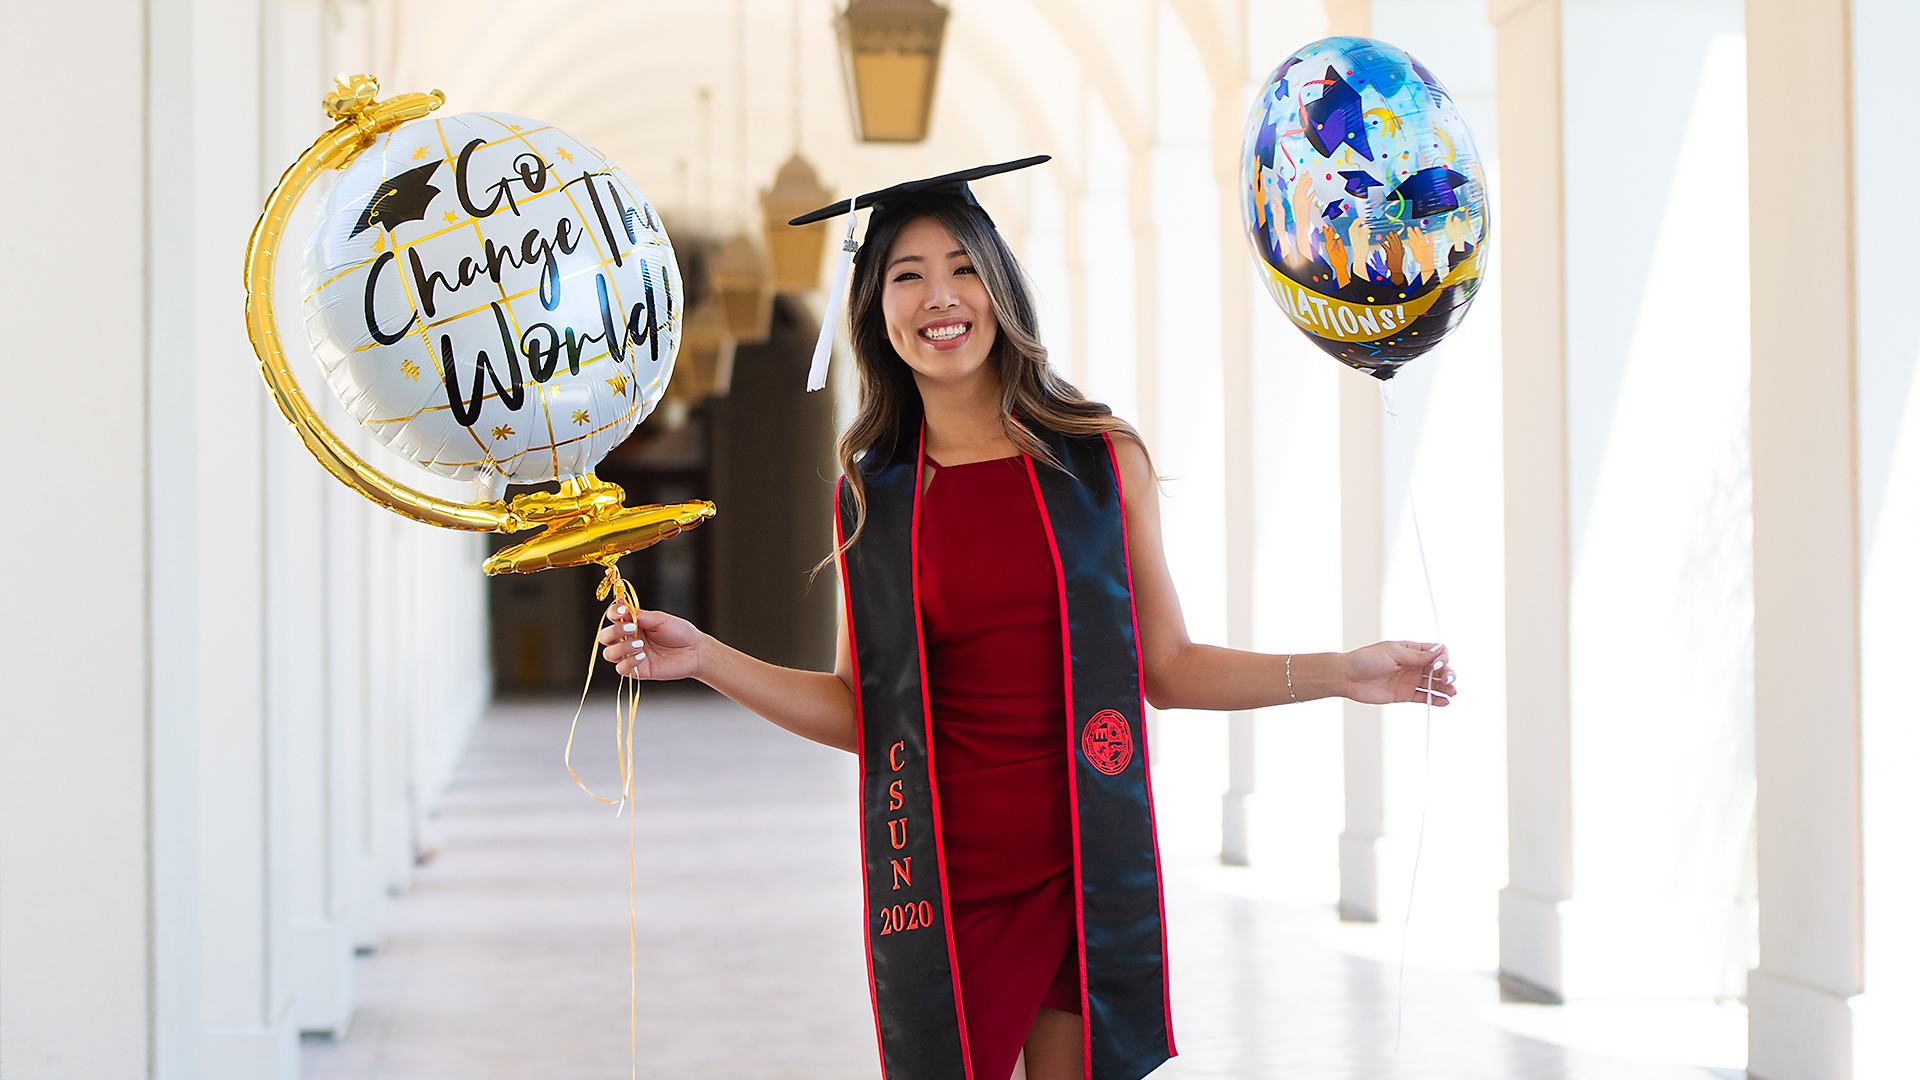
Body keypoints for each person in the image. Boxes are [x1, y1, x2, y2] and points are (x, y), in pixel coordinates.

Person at [595, 159, 1456, 1080]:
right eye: (908, 275)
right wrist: (709, 660)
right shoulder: (874, 496)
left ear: (1001, 288)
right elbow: (864, 709)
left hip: (1087, 857)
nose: (941, 297)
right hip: (943, 876)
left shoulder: (1098, 460)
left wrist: (1339, 671)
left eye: (964, 268)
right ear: (877, 312)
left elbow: (1165, 666)